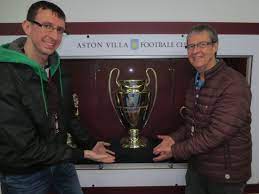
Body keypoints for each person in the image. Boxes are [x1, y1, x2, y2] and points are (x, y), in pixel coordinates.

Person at [0, 1, 115, 194]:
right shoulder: (5, 74)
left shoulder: (56, 67)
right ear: (27, 27)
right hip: (24, 174)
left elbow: (67, 114)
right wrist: (83, 153)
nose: (54, 36)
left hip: (61, 163)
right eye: (47, 26)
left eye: (60, 30)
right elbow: (24, 145)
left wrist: (90, 143)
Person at [153, 24, 252, 194]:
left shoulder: (234, 83)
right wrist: (174, 138)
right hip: (197, 169)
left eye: (202, 44)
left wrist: (175, 150)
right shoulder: (196, 81)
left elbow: (217, 133)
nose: (195, 51)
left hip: (225, 176)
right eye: (191, 46)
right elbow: (194, 123)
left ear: (215, 46)